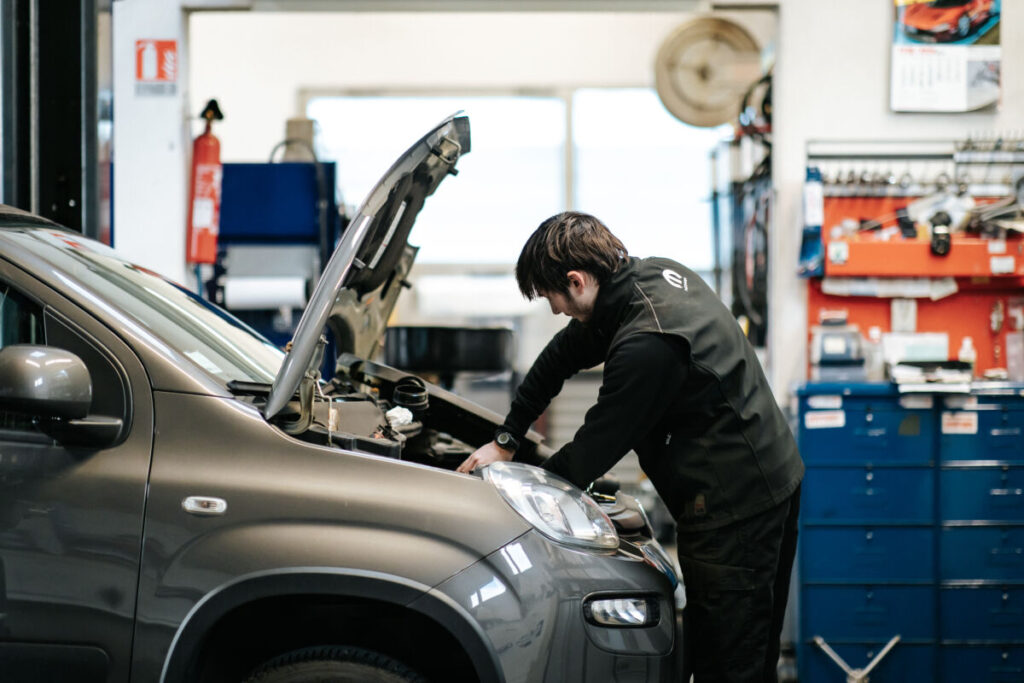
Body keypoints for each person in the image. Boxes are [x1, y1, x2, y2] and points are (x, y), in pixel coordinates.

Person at [456, 211, 804, 683]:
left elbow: (589, 453)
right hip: (768, 469)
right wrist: (506, 440)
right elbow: (557, 358)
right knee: (747, 644)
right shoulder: (642, 279)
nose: (556, 310)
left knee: (729, 658)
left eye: (551, 297)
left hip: (737, 503)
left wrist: (514, 502)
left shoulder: (647, 342)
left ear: (576, 281)